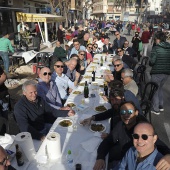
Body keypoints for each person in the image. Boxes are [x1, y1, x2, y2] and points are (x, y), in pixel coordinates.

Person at [93, 101, 170, 170]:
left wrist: (169, 156)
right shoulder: (121, 126)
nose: (126, 115)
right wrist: (100, 157)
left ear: (136, 113)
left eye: (130, 111)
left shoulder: (142, 128)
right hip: (126, 160)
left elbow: (160, 146)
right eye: (123, 112)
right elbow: (108, 141)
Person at [149, 32, 170, 115]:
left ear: (158, 39)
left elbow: (152, 62)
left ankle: (155, 109)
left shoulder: (156, 48)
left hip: (157, 72)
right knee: (160, 88)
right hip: (167, 72)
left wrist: (150, 62)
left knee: (155, 90)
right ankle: (161, 105)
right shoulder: (169, 47)